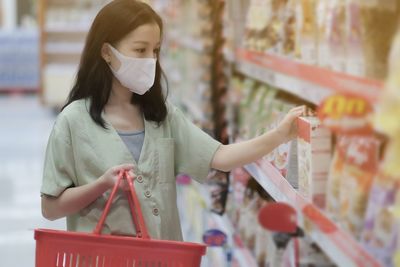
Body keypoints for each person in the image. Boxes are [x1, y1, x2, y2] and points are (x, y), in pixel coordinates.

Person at [40, 0, 305, 241]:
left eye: (155, 50)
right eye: (140, 50)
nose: (150, 61)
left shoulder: (161, 116)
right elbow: (50, 208)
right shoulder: (72, 122)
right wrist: (101, 186)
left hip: (163, 258)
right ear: (107, 52)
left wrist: (280, 135)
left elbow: (221, 156)